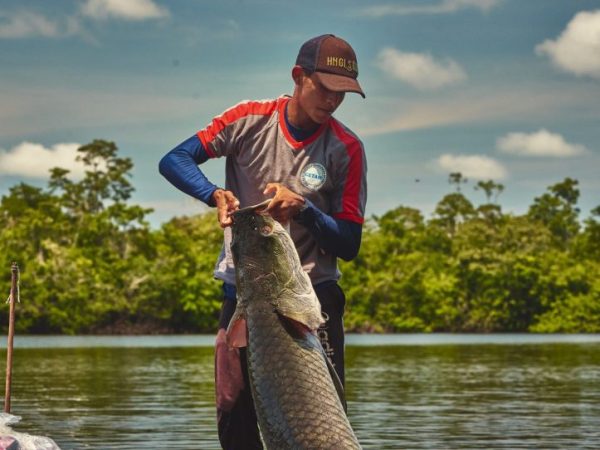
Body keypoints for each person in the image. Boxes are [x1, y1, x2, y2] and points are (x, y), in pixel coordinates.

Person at [159, 33, 367, 450]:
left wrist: (304, 209)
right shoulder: (248, 119)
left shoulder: (346, 148)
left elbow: (348, 243)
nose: (332, 101)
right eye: (325, 88)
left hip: (311, 301)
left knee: (317, 420)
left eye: (342, 93)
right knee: (233, 415)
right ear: (298, 75)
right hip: (243, 294)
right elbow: (174, 159)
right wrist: (213, 194)